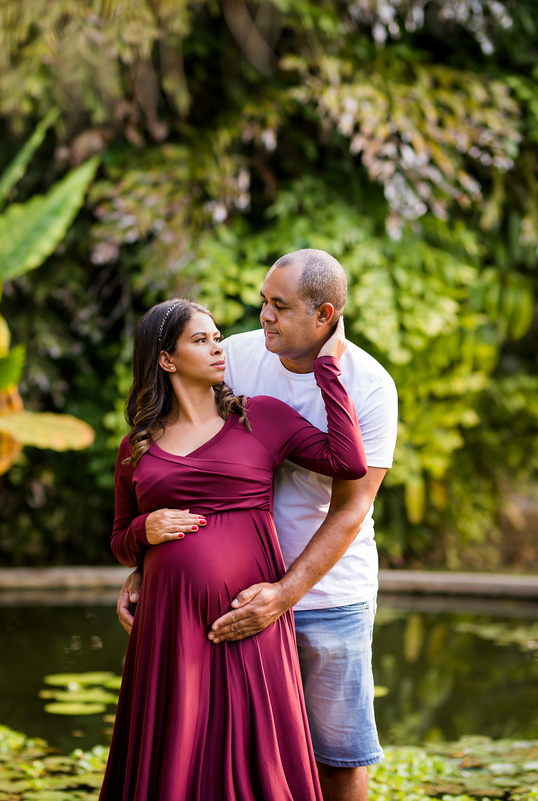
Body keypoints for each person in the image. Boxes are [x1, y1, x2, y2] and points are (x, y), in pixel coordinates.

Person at [117, 250, 398, 801]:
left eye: (279, 305)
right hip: (226, 603)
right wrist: (144, 564)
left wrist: (282, 596)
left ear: (324, 315)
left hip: (327, 597)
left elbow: (351, 503)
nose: (262, 316)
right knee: (223, 754)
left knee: (337, 760)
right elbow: (179, 467)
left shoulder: (370, 385)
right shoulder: (240, 356)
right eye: (263, 301)